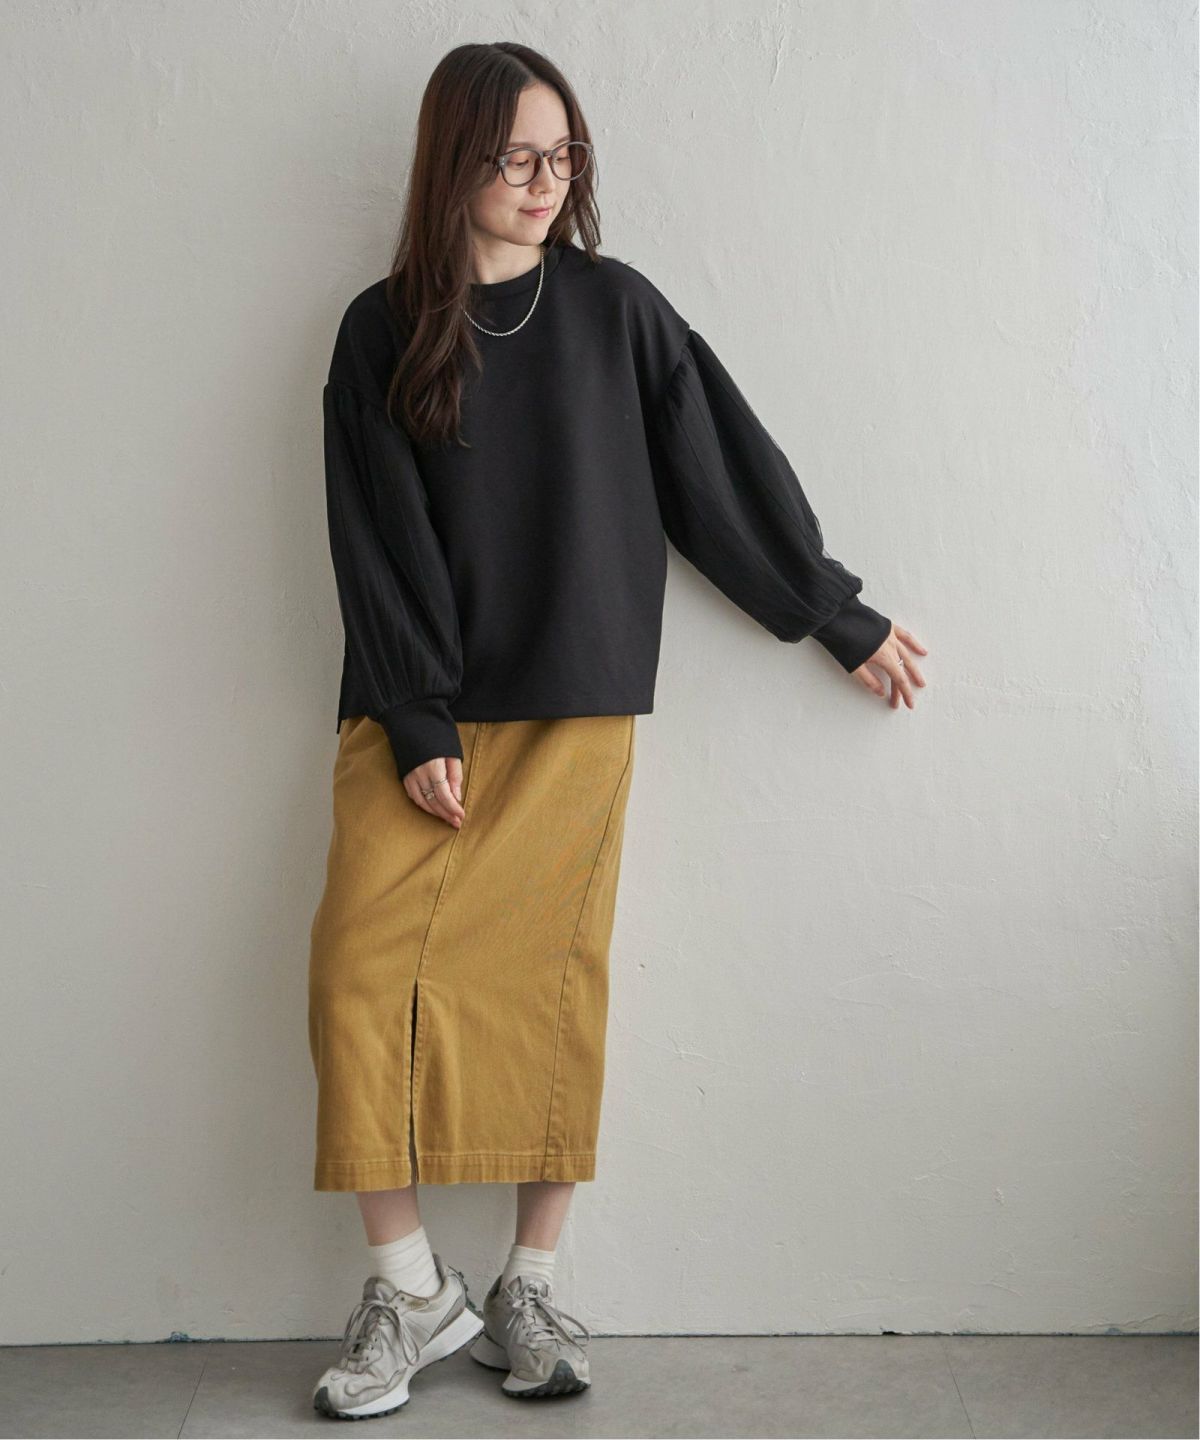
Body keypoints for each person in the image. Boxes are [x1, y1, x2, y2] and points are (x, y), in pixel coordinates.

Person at [306, 40, 928, 1423]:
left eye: (563, 153)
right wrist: (414, 713)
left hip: (576, 704)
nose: (545, 181)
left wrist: (835, 613)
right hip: (420, 716)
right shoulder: (379, 328)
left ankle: (527, 1286)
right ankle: (410, 1287)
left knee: (552, 988)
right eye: (515, 156)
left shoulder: (616, 310)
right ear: (452, 163)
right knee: (357, 975)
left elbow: (717, 477)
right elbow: (371, 536)